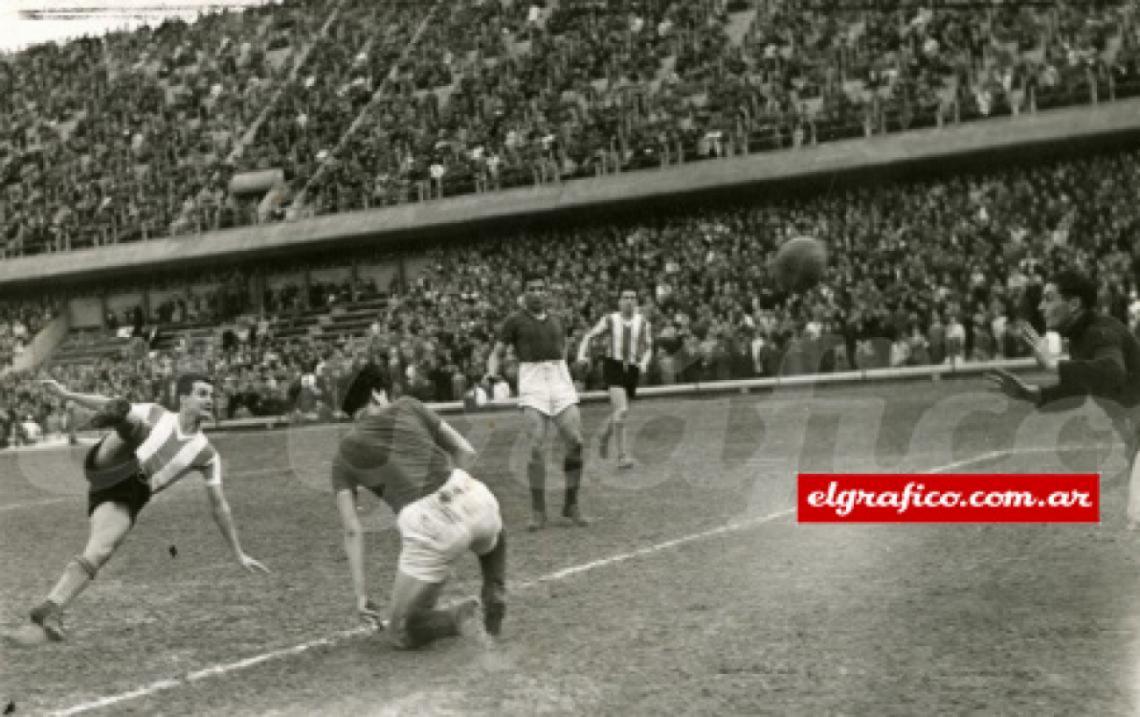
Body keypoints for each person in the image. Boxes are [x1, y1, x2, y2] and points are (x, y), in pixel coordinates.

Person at [8, 373, 268, 644]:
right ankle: (120, 419)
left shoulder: (206, 453)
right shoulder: (157, 413)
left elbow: (219, 506)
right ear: (184, 399)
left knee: (100, 551)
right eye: (202, 394)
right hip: (112, 460)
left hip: (130, 494)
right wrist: (68, 395)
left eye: (211, 395)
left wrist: (239, 554)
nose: (210, 400)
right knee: (136, 425)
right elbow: (105, 402)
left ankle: (50, 609)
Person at [332, 363, 507, 649]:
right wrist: (459, 491)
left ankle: (458, 619)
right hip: (471, 494)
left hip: (428, 524)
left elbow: (352, 529)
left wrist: (361, 594)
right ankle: (494, 585)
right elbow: (465, 450)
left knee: (399, 631)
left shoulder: (344, 453)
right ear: (378, 394)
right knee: (494, 528)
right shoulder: (409, 405)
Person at [986, 270, 1140, 527]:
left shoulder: (1101, 332)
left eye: (1048, 298)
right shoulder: (1083, 337)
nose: (1040, 306)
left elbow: (1112, 372)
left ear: (1074, 304)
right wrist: (1029, 393)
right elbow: (1078, 391)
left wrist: (1052, 365)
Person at [487, 272, 588, 530]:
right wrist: (491, 372)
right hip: (532, 378)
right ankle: (538, 511)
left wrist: (571, 368)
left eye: (541, 288)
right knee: (536, 447)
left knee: (576, 441)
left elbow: (562, 349)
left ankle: (571, 504)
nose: (537, 293)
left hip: (559, 377)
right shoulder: (514, 321)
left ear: (547, 292)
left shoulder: (558, 319)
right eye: (531, 289)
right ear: (524, 294)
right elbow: (497, 352)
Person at [576, 285, 653, 469]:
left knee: (620, 412)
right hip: (613, 366)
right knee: (623, 410)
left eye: (632, 297)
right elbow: (590, 336)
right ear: (619, 301)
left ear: (637, 302)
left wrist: (643, 363)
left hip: (632, 368)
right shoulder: (610, 319)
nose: (629, 301)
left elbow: (649, 347)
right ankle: (622, 456)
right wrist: (582, 356)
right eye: (625, 297)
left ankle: (604, 435)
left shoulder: (643, 323)